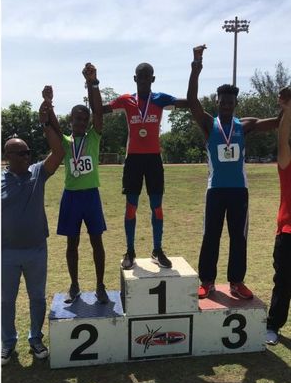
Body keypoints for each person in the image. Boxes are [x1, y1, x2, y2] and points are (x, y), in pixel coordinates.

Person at [187, 44, 282, 300]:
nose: (227, 105)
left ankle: (236, 282)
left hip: (239, 191)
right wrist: (197, 65)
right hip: (215, 190)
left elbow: (275, 123)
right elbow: (193, 100)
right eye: (223, 102)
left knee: (238, 238)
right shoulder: (209, 124)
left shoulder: (245, 125)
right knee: (211, 236)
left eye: (231, 102)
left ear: (235, 103)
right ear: (217, 102)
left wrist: (288, 104)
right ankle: (207, 281)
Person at [96, 62, 189, 270]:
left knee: (157, 207)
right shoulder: (126, 100)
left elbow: (189, 102)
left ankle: (157, 250)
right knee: (131, 206)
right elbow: (99, 109)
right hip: (134, 160)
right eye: (141, 76)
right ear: (135, 78)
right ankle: (130, 251)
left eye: (148, 76)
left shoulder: (160, 99)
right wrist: (93, 84)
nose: (145, 79)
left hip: (154, 159)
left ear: (153, 79)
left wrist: (195, 68)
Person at [1, 92, 64, 365]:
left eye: (29, 152)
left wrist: (46, 121)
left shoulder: (38, 172)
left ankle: (35, 339)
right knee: (6, 301)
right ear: (9, 155)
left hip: (37, 249)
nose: (29, 155)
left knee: (37, 298)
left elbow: (59, 152)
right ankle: (7, 343)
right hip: (6, 252)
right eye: (23, 152)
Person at [53, 64, 108, 304]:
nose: (82, 122)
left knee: (97, 241)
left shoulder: (94, 137)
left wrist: (93, 83)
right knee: (71, 242)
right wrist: (48, 104)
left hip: (91, 196)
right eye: (78, 118)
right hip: (71, 197)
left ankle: (100, 286)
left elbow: (98, 111)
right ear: (71, 120)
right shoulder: (65, 142)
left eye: (85, 119)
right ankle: (74, 285)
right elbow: (53, 126)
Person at [266, 87, 291, 345]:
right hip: (288, 232)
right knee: (283, 283)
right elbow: (283, 140)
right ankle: (273, 326)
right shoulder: (287, 164)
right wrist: (288, 112)